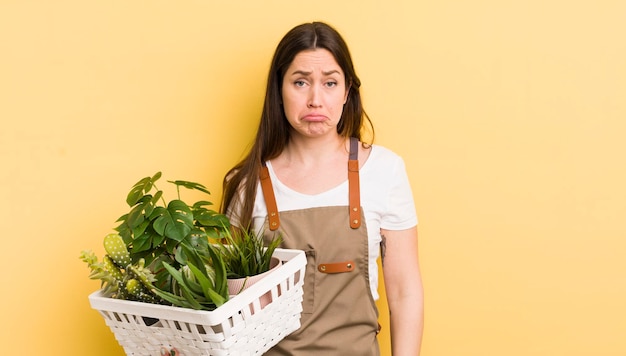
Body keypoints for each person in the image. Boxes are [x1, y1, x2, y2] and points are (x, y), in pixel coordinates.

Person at [221, 21, 423, 355]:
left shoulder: (385, 171)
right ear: (279, 89)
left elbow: (405, 293)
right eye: (300, 82)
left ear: (346, 93)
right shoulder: (245, 185)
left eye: (330, 83)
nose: (315, 100)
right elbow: (227, 307)